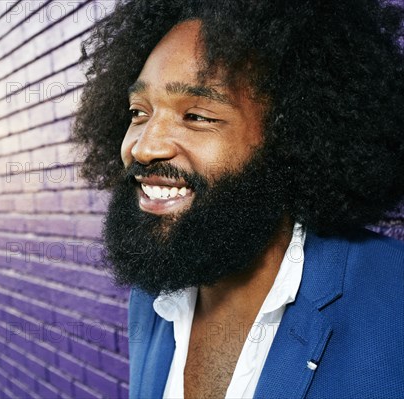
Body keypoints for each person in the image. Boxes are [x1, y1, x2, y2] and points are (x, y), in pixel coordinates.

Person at [72, 0, 404, 398]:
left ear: (291, 134)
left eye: (196, 116)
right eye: (139, 112)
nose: (143, 148)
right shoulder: (154, 295)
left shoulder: (392, 300)